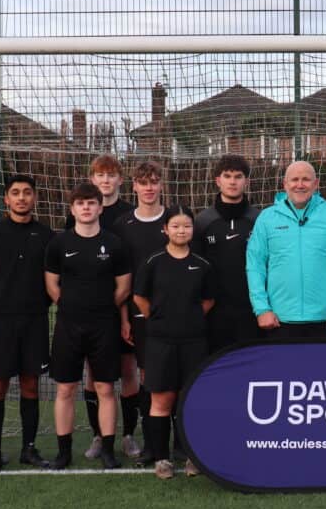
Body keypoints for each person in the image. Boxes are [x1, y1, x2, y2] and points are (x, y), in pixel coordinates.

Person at [44, 183, 131, 469]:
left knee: (106, 388)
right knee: (65, 389)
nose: (86, 208)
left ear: (100, 207)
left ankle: (108, 449)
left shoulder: (114, 244)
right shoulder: (59, 243)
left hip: (103, 325)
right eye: (80, 203)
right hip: (69, 325)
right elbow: (52, 284)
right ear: (72, 209)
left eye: (91, 203)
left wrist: (101, 308)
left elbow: (123, 287)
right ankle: (64, 452)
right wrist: (71, 307)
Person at [0, 174, 54, 475]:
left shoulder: (46, 236)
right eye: (15, 193)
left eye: (27, 193)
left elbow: (53, 281)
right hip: (0, 323)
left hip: (34, 321)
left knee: (31, 385)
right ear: (6, 199)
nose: (21, 198)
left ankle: (29, 448)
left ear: (35, 198)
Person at [133, 206, 216, 479]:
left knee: (189, 398)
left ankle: (192, 457)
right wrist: (159, 319)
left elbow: (207, 301)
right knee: (161, 400)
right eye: (176, 226)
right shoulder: (153, 262)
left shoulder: (202, 265)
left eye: (187, 226)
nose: (182, 231)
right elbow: (140, 298)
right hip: (160, 342)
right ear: (165, 229)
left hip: (194, 342)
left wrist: (188, 320)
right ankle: (162, 460)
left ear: (193, 230)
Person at [66, 155, 136, 461]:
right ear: (92, 180)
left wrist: (120, 309)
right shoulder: (78, 215)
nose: (105, 181)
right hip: (89, 313)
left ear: (121, 180)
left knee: (128, 370)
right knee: (94, 374)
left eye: (111, 175)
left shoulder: (130, 216)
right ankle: (98, 434)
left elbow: (127, 269)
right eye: (100, 176)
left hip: (122, 304)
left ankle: (129, 434)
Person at [246, 160, 326, 338]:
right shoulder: (266, 218)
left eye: (306, 179)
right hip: (278, 320)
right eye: (294, 179)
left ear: (316, 184)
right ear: (285, 184)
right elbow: (255, 266)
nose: (300, 185)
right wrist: (262, 309)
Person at [111, 161, 167, 459]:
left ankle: (181, 442)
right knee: (147, 376)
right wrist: (124, 317)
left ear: (161, 185)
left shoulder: (175, 219)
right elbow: (122, 278)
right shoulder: (123, 225)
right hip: (139, 315)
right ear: (133, 186)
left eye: (154, 182)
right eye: (143, 182)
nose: (148, 188)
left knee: (177, 376)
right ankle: (150, 443)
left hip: (174, 314)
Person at [195, 154, 260, 351]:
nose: (232, 182)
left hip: (251, 310)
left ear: (246, 181)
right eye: (227, 176)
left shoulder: (259, 220)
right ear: (218, 181)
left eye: (238, 176)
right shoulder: (202, 222)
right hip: (214, 311)